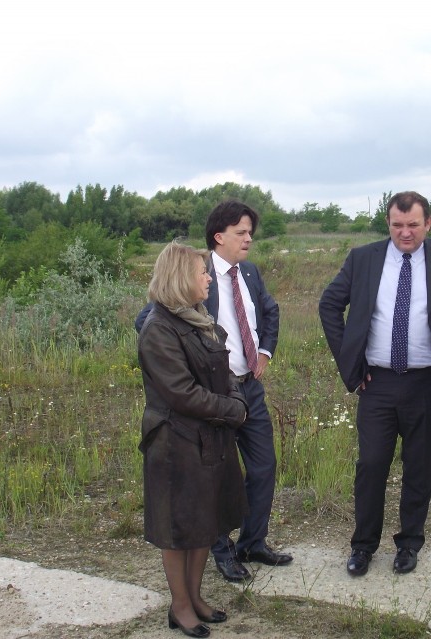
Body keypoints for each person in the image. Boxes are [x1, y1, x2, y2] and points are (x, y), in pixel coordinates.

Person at [319, 190, 431, 577]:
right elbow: (329, 304)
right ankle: (363, 546)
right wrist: (351, 365)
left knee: (419, 466)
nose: (404, 233)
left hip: (428, 382)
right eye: (397, 225)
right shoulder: (363, 258)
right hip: (377, 383)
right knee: (371, 464)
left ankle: (409, 543)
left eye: (412, 225)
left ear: (428, 223)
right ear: (387, 223)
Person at [136, 199, 291, 583]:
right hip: (212, 397)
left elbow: (270, 312)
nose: (248, 240)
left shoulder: (250, 274)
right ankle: (221, 551)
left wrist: (265, 353)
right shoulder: (195, 273)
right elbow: (148, 320)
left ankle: (253, 542)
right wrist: (186, 366)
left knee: (263, 466)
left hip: (248, 389)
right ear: (218, 237)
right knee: (218, 476)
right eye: (241, 233)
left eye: (250, 233)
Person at [137, 240, 248, 637]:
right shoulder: (159, 328)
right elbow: (180, 393)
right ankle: (180, 607)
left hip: (210, 437)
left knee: (207, 520)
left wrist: (235, 396)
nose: (207, 278)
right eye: (202, 272)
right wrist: (233, 409)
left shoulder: (199, 319)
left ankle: (197, 597)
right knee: (179, 527)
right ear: (182, 278)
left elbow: (225, 372)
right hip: (175, 443)